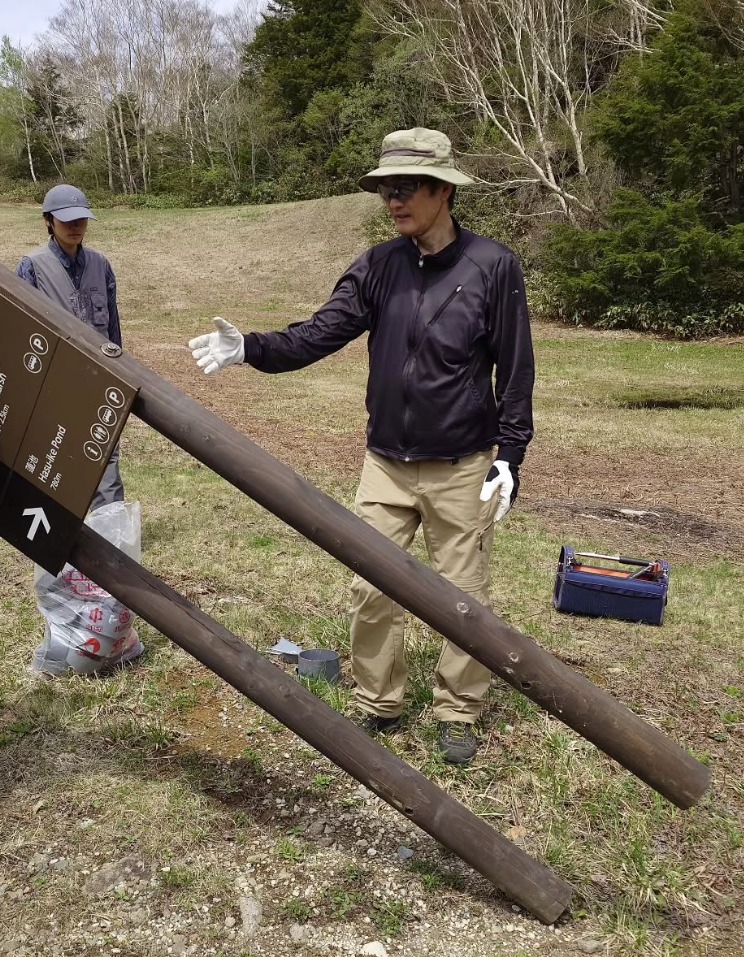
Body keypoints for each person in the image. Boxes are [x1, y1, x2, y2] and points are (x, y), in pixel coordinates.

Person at [188, 128, 534, 765]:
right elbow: (320, 333)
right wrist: (252, 349)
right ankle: (380, 702)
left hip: (463, 465)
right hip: (386, 465)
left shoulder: (493, 266)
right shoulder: (378, 266)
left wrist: (510, 454)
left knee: (463, 600)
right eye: (384, 190)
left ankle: (457, 710)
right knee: (369, 589)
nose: (392, 200)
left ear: (441, 191)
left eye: (404, 189)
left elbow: (515, 371)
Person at [17, 184, 124, 508]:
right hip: (54, 387)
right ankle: (65, 545)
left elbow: (114, 328)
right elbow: (22, 334)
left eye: (81, 219)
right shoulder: (31, 267)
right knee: (58, 465)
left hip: (98, 383)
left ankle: (111, 545)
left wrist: (120, 373)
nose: (76, 226)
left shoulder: (101, 264)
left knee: (106, 462)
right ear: (48, 221)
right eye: (67, 220)